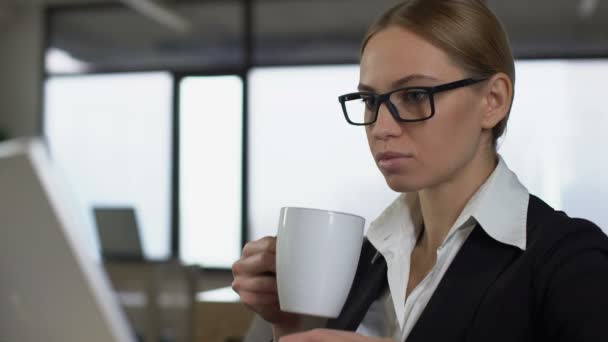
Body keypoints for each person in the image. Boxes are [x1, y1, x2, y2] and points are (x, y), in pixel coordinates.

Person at [232, 0, 608, 341]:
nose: (381, 127)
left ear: (493, 101)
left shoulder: (569, 261)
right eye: (369, 100)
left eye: (414, 96)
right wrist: (295, 324)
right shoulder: (365, 261)